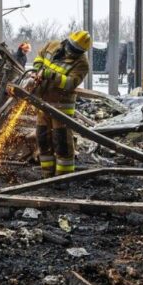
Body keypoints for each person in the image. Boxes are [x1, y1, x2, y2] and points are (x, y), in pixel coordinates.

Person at [31, 30, 91, 178]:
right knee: (43, 139)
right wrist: (38, 69)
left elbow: (70, 83)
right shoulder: (52, 45)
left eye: (77, 51)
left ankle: (64, 176)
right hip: (42, 102)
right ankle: (47, 173)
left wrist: (50, 75)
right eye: (71, 48)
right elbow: (39, 57)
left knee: (61, 141)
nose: (72, 53)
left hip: (61, 107)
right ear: (67, 42)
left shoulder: (82, 63)